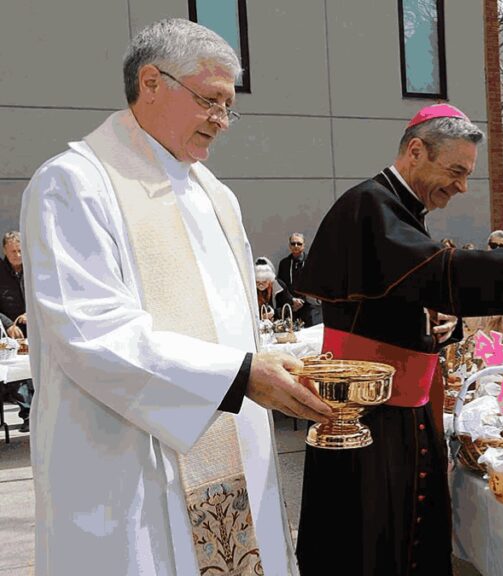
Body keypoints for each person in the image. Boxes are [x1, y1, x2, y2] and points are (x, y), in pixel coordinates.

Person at [21, 19, 334, 576]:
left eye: (228, 107)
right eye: (209, 101)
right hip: (128, 469)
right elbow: (92, 334)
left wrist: (266, 366)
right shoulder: (73, 184)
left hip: (232, 451)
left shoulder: (216, 195)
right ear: (151, 82)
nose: (221, 121)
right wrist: (239, 376)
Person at [290, 103, 503, 575]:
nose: (462, 186)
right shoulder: (368, 206)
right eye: (456, 171)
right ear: (416, 151)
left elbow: (417, 291)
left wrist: (441, 324)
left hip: (400, 409)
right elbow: (445, 272)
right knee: (372, 550)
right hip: (369, 419)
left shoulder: (400, 211)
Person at [0, 231, 31, 432]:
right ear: (4, 250)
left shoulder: (34, 268)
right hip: (10, 332)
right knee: (16, 372)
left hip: (34, 327)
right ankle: (27, 413)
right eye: (12, 251)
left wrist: (32, 313)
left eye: (20, 250)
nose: (17, 255)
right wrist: (8, 323)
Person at [277, 232, 320, 327]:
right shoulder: (284, 263)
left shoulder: (311, 261)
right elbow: (281, 286)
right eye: (293, 243)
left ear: (304, 245)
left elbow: (315, 284)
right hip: (291, 307)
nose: (296, 246)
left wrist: (301, 300)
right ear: (289, 245)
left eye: (299, 243)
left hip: (308, 306)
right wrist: (292, 300)